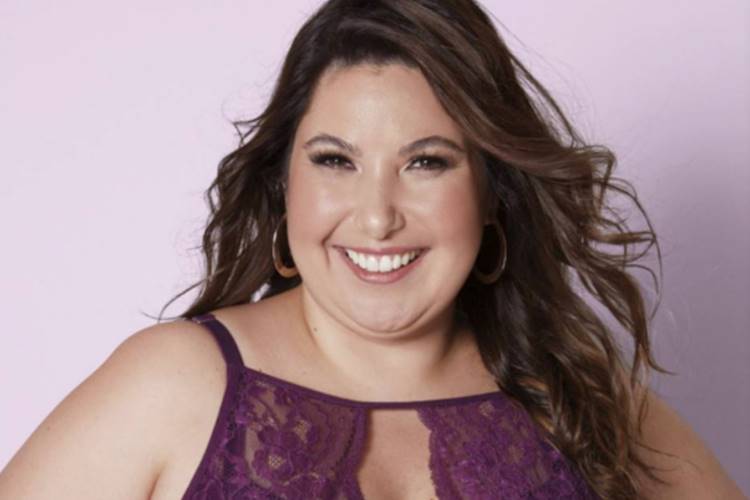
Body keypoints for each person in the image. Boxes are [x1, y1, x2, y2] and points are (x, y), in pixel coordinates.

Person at [0, 0, 743, 498]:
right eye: (335, 160)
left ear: (492, 192)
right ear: (284, 183)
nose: (378, 216)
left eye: (427, 162)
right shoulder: (176, 383)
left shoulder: (578, 396)